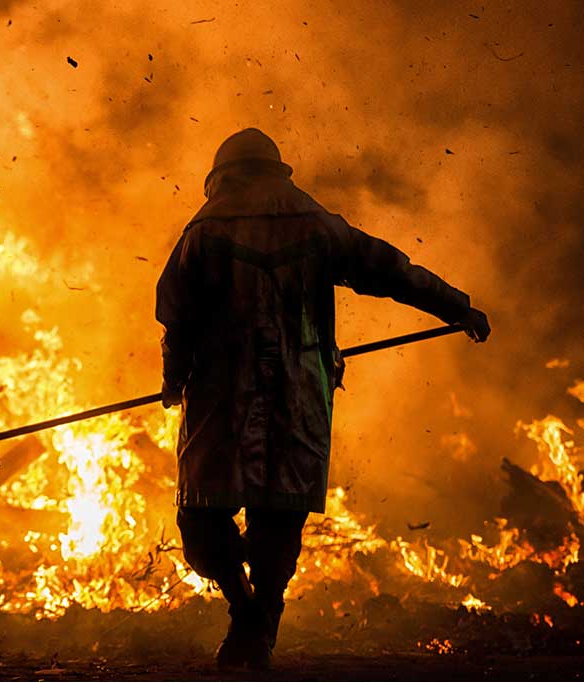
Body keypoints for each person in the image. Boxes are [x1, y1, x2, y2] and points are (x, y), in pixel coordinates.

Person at [155, 128, 490, 671]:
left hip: (222, 395)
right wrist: (458, 308)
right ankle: (258, 620)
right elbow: (393, 272)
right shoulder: (315, 224)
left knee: (201, 513)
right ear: (276, 170)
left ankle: (247, 618)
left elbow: (176, 317)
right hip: (298, 392)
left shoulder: (205, 230)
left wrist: (174, 379)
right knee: (278, 515)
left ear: (222, 175)